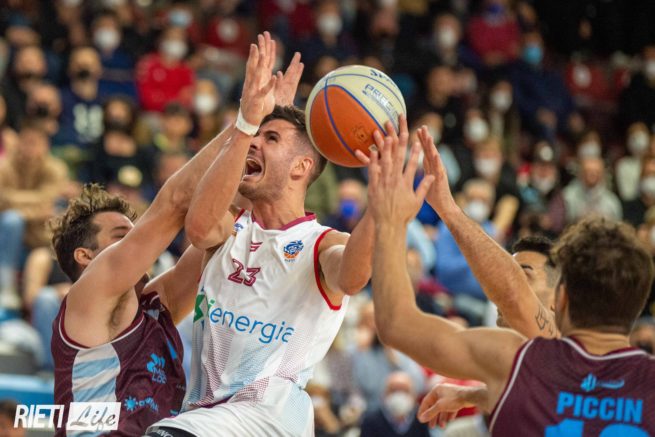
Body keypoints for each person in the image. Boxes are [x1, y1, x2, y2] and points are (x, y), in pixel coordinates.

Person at [49, 31, 304, 434]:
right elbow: (175, 204)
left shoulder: (156, 306)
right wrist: (246, 122)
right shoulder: (89, 294)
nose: (138, 242)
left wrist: (269, 134)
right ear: (86, 256)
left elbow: (222, 224)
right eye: (121, 237)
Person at [361, 123, 655, 435]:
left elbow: (397, 323)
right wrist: (480, 395)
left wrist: (390, 221)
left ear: (561, 297)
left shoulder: (517, 360)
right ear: (637, 303)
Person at [147, 32, 373, 437]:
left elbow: (354, 276)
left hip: (268, 417)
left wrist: (382, 204)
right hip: (208, 417)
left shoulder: (322, 243)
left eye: (271, 139)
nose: (254, 144)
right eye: (255, 138)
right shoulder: (228, 230)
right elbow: (198, 226)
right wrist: (247, 122)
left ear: (301, 167)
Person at [360, 371, 430, 437]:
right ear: (384, 394)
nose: (399, 395)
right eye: (394, 390)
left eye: (404, 391)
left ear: (414, 395)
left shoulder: (421, 419)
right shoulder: (370, 422)